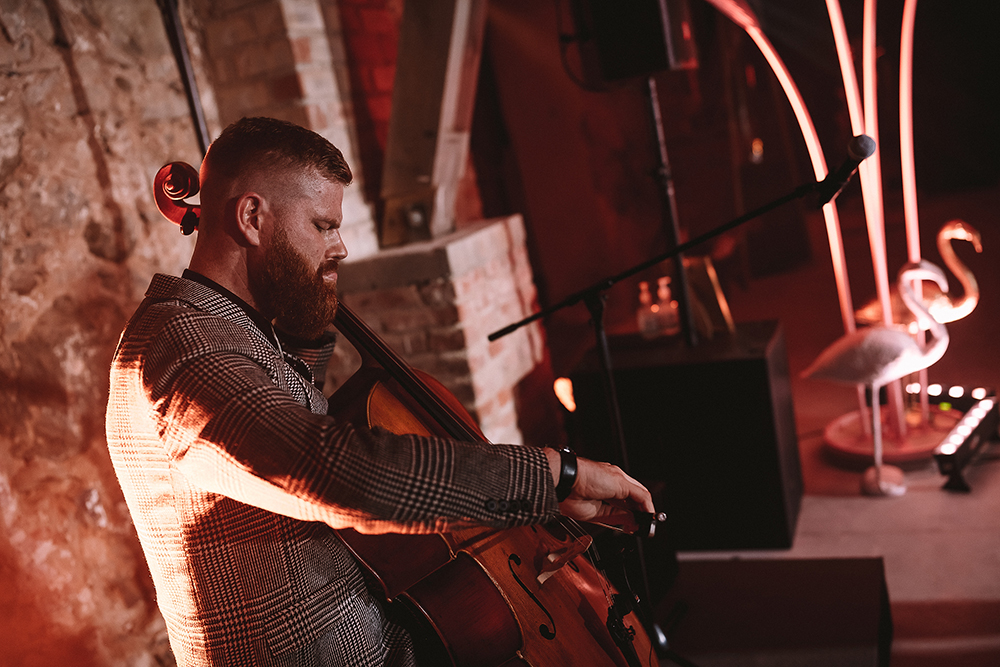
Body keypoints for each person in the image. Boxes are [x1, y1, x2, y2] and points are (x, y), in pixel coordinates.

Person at [105, 116, 654, 666]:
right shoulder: (180, 345)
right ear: (251, 217)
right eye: (323, 226)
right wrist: (553, 475)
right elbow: (334, 469)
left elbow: (284, 414)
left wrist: (306, 322)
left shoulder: (227, 329)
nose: (340, 247)